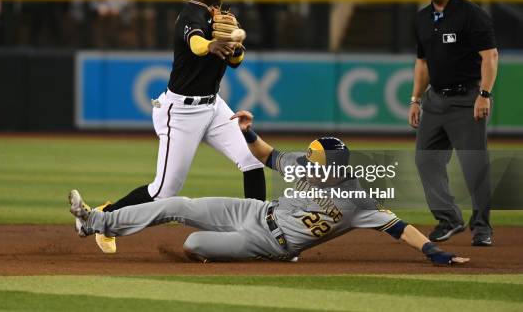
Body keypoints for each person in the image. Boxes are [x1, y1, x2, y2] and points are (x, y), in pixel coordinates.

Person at [68, 110, 469, 265]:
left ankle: (241, 254)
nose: (307, 164)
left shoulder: (357, 200)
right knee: (176, 203)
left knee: (193, 245)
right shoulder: (303, 165)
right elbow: (268, 155)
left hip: (273, 246)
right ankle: (97, 222)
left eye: (315, 161)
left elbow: (399, 227)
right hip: (255, 213)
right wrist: (248, 132)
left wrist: (432, 251)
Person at [91, 0, 266, 254]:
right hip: (181, 112)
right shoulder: (190, 17)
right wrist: (212, 44)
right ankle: (106, 217)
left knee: (251, 160)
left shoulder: (219, 15)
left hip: (213, 106)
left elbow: (235, 62)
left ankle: (261, 233)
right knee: (163, 191)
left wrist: (235, 47)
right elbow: (196, 44)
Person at [408, 0, 498, 246]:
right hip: (435, 101)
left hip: (466, 100)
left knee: (474, 165)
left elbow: (490, 56)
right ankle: (449, 218)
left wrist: (484, 94)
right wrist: (414, 100)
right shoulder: (422, 18)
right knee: (425, 160)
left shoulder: (472, 15)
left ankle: (482, 227)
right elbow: (422, 63)